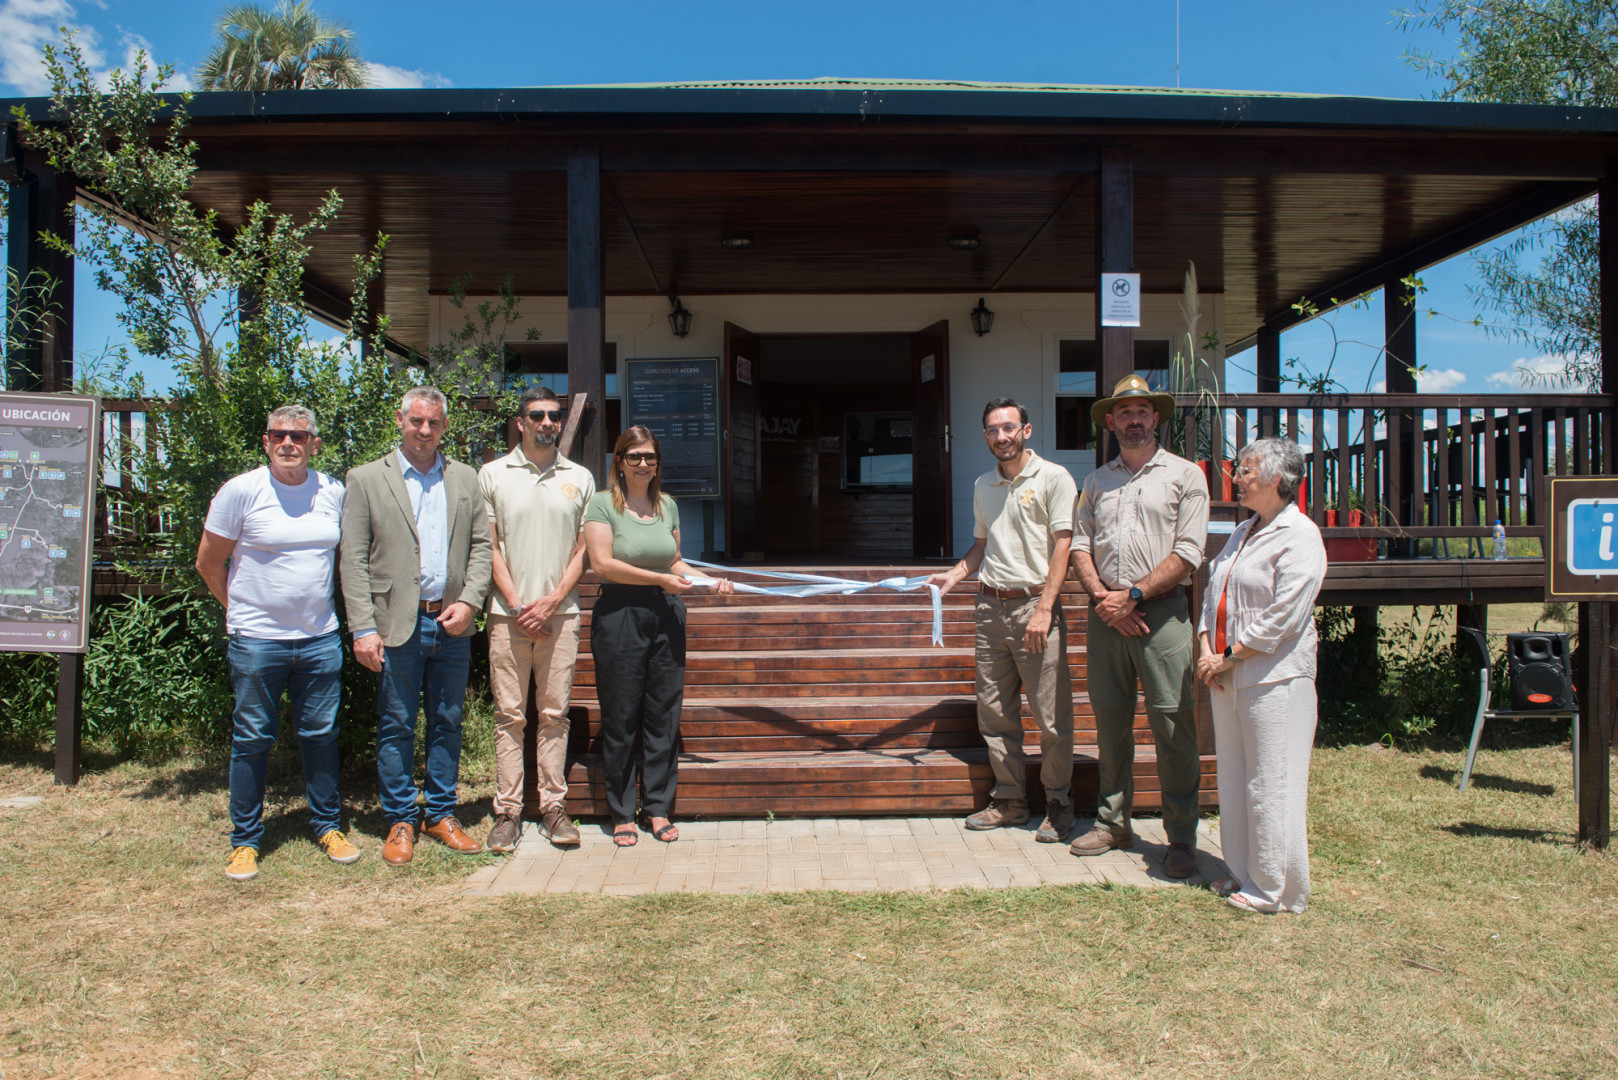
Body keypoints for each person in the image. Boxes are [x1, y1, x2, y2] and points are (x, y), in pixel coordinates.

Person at [196, 405, 356, 882]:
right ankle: (245, 841)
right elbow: (209, 563)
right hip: (257, 642)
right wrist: (238, 612)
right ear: (266, 443)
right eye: (279, 435)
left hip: (319, 639)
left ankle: (328, 827)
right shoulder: (241, 491)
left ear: (314, 445)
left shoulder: (333, 493)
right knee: (252, 739)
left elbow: (348, 558)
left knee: (321, 736)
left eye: (299, 436)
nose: (289, 442)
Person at [340, 386, 493, 867]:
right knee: (397, 723)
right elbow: (353, 559)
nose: (425, 431)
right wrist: (362, 627)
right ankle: (401, 818)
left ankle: (441, 814)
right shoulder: (366, 479)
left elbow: (483, 548)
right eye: (417, 422)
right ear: (401, 421)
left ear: (445, 426)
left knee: (448, 721)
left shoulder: (465, 479)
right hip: (394, 624)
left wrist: (470, 601)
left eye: (434, 423)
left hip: (451, 622)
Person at [1070, 373, 1209, 879]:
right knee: (1110, 724)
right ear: (1111, 421)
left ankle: (1181, 837)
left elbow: (1190, 552)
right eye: (1124, 412)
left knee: (1174, 727)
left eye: (1142, 411)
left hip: (1164, 615)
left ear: (1156, 418)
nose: (1134, 419)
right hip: (1106, 615)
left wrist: (1132, 596)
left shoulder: (1186, 475)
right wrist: (1106, 599)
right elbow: (1080, 545)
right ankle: (1113, 822)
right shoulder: (1096, 481)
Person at [928, 398, 1078, 844]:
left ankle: (1059, 803)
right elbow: (981, 544)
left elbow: (1063, 547)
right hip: (990, 608)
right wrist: (955, 574)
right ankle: (1011, 800)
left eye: (1009, 428)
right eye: (993, 430)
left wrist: (1046, 608)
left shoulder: (1053, 478)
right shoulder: (982, 484)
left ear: (1026, 431)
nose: (1001, 436)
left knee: (1051, 716)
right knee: (995, 713)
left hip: (1036, 605)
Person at [581, 427, 732, 847]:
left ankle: (659, 807)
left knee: (664, 714)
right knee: (621, 715)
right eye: (634, 457)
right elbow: (602, 564)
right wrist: (660, 579)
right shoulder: (601, 504)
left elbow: (678, 561)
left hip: (666, 615)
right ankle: (623, 812)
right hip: (620, 614)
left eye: (649, 457)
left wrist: (710, 582)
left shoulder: (667, 506)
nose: (643, 464)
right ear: (620, 461)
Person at [1196, 437, 1327, 913]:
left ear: (1275, 478)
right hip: (1227, 675)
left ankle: (1275, 889)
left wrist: (1228, 654)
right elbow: (1214, 593)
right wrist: (1207, 647)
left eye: (1247, 470)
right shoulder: (1243, 531)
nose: (1237, 477)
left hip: (1275, 677)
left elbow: (1285, 613)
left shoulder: (1301, 534)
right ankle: (1242, 874)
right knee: (1234, 777)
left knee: (1271, 780)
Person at [478, 387, 595, 853]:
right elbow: (489, 546)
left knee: (554, 715)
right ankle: (507, 812)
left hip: (560, 616)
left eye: (554, 415)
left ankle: (552, 808)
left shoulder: (581, 478)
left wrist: (549, 602)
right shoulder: (492, 475)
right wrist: (518, 603)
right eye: (537, 415)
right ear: (521, 423)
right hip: (507, 618)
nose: (547, 422)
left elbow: (584, 549)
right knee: (509, 716)